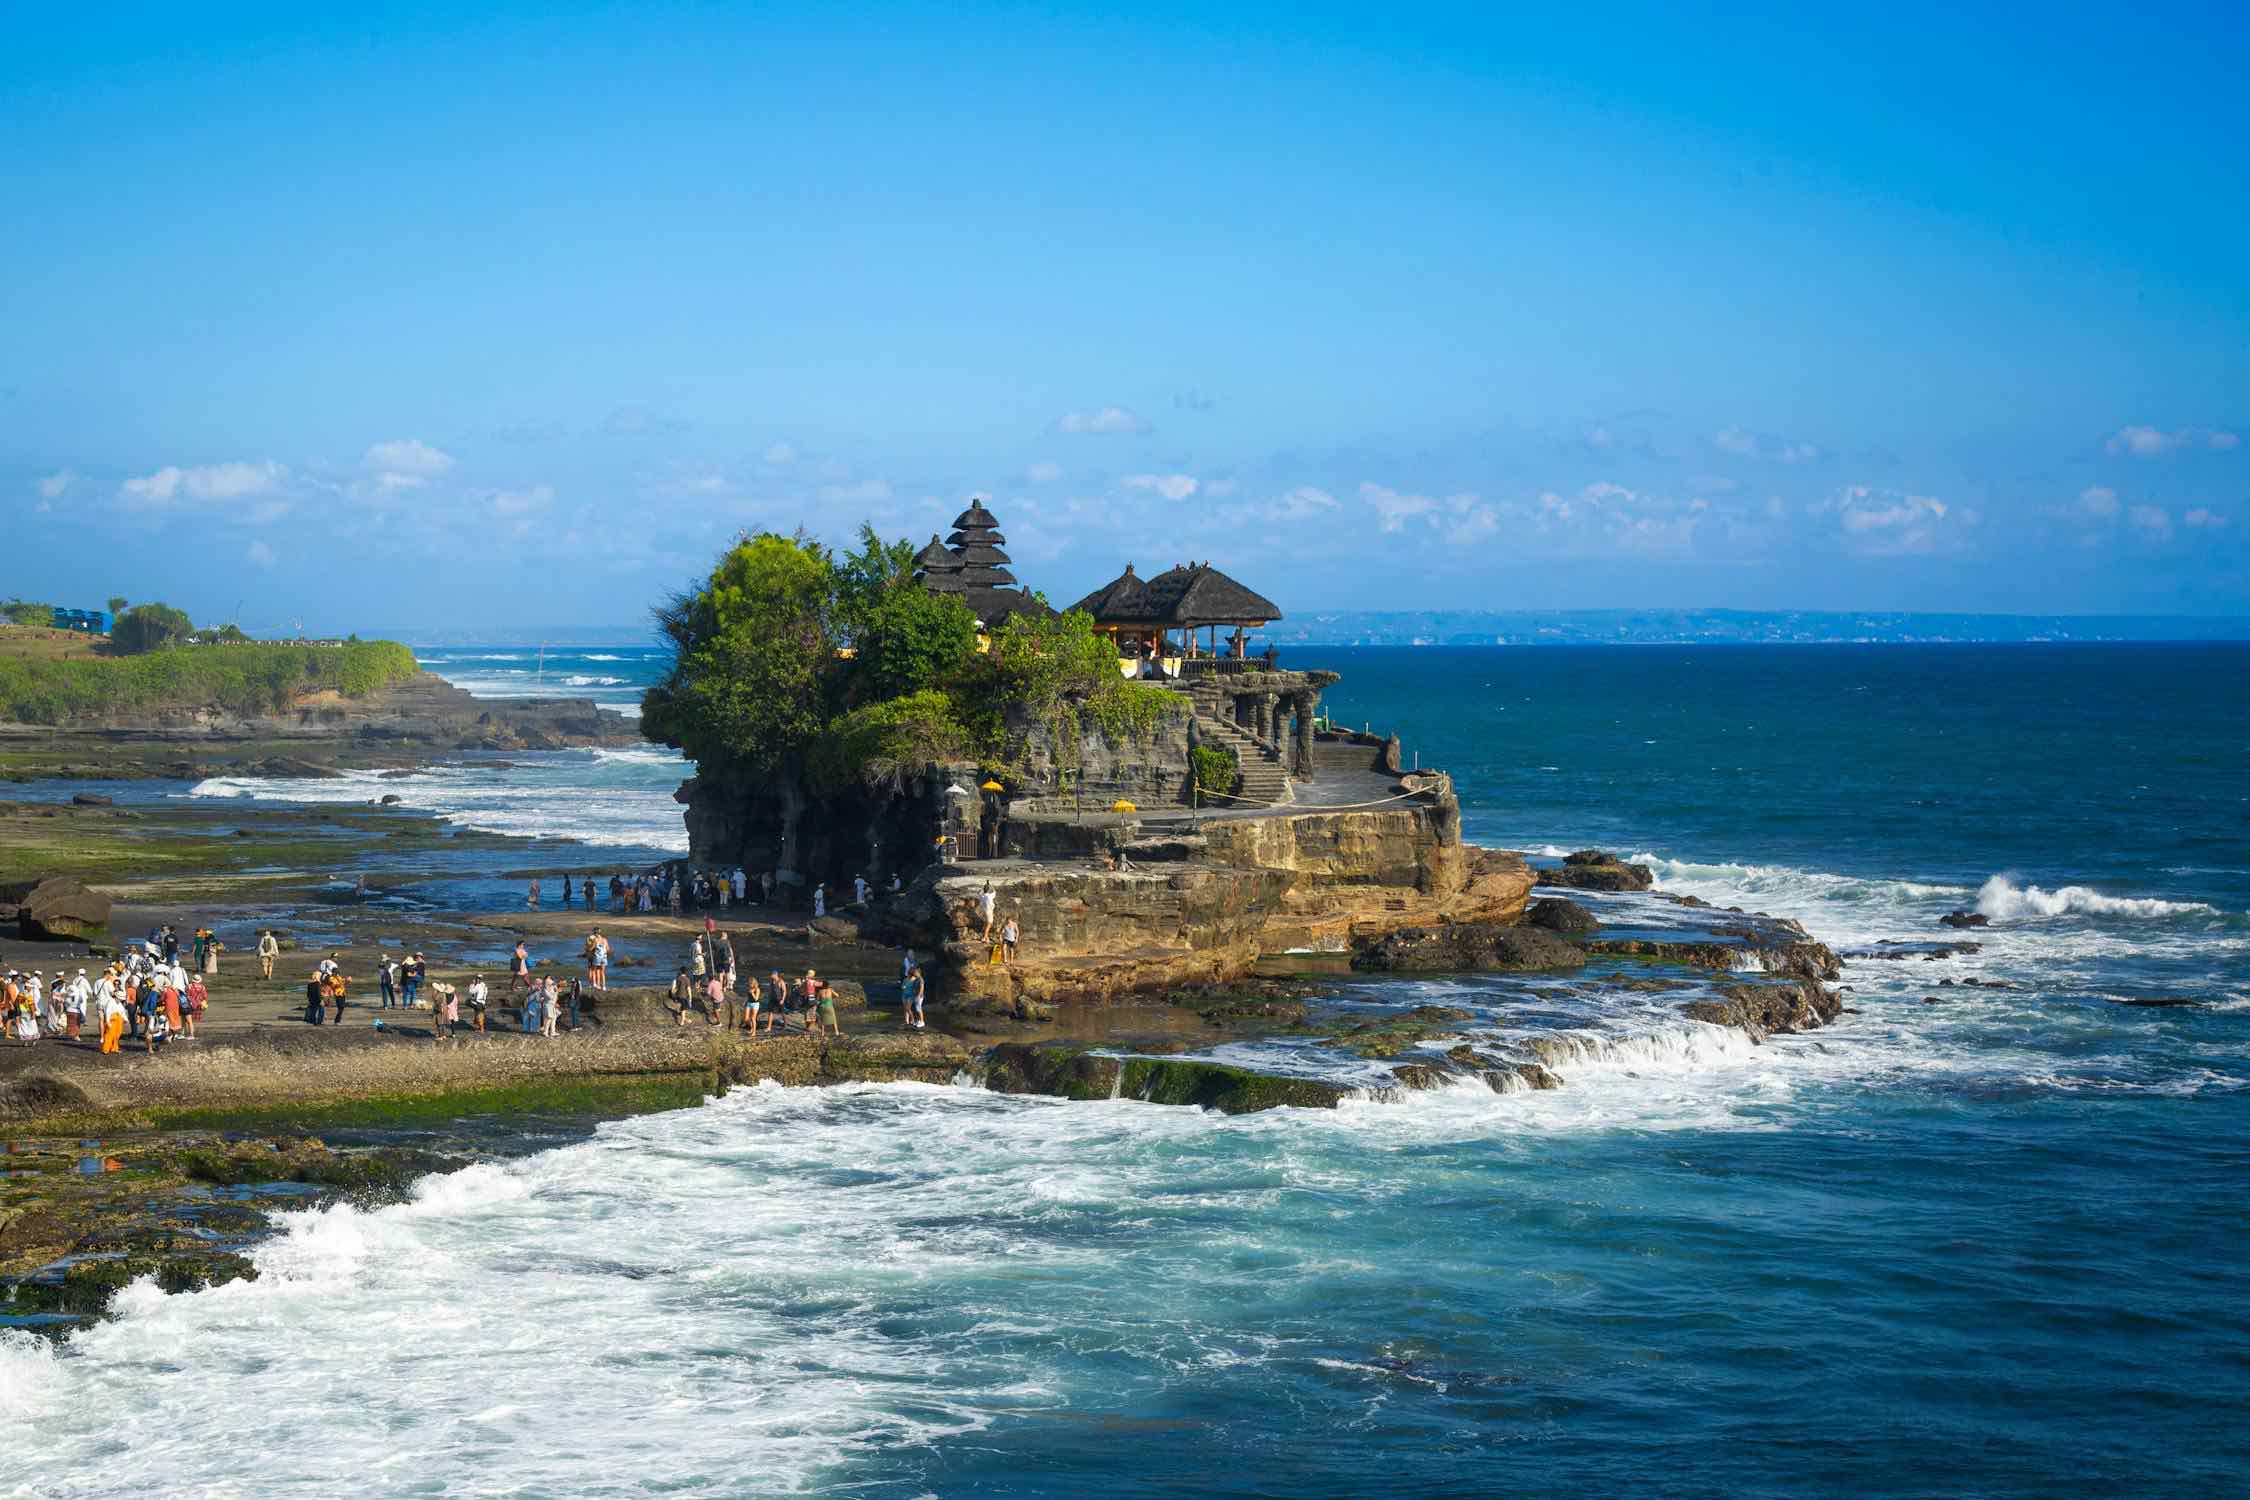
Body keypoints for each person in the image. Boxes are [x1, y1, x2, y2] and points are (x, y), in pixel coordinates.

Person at [803, 969, 840, 1037]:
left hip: (818, 1004)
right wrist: (831, 997)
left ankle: (822, 1033)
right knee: (833, 1019)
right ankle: (836, 1032)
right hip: (827, 1004)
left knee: (822, 1019)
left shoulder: (807, 983)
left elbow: (817, 998)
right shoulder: (828, 989)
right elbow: (837, 995)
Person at [97, 977, 127, 1054]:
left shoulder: (119, 1003)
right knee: (109, 1034)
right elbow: (108, 1012)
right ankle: (105, 1049)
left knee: (117, 1035)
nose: (121, 1000)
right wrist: (107, 1021)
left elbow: (122, 1011)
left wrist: (125, 1018)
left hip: (119, 1020)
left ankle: (114, 1048)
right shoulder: (110, 1001)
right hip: (112, 1020)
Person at [901, 964, 925, 1030]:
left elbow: (921, 988)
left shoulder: (920, 979)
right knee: (916, 1009)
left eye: (915, 972)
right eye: (914, 972)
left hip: (919, 996)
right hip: (915, 996)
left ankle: (922, 1021)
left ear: (918, 972)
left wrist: (918, 996)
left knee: (918, 1009)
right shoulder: (916, 979)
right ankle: (919, 1021)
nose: (914, 973)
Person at [183, 972, 207, 1039]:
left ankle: (190, 1034)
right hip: (198, 1005)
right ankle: (190, 1033)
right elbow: (205, 996)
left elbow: (186, 995)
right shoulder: (203, 987)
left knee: (187, 1020)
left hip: (190, 1005)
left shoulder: (189, 986)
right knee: (191, 1020)